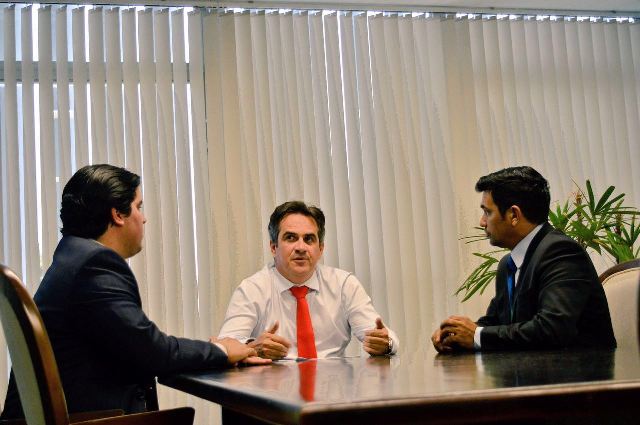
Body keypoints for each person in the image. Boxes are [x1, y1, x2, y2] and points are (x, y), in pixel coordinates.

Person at [1, 164, 269, 418]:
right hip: (98, 420)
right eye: (138, 207)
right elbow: (153, 352)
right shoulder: (94, 265)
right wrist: (222, 351)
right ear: (118, 214)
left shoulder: (71, 257)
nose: (144, 218)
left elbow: (137, 345)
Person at [431, 166, 616, 352]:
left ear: (513, 215)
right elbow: (496, 322)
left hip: (580, 377)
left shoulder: (561, 252)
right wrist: (455, 335)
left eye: (488, 212)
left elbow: (552, 329)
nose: (482, 222)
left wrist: (477, 336)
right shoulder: (508, 265)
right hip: (531, 373)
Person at [218, 201, 399, 359]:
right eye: (291, 238)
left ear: (320, 249)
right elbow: (227, 346)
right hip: (272, 389)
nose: (301, 247)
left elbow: (384, 337)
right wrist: (253, 348)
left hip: (333, 388)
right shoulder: (252, 289)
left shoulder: (344, 285)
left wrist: (386, 344)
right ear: (273, 247)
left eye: (309, 239)